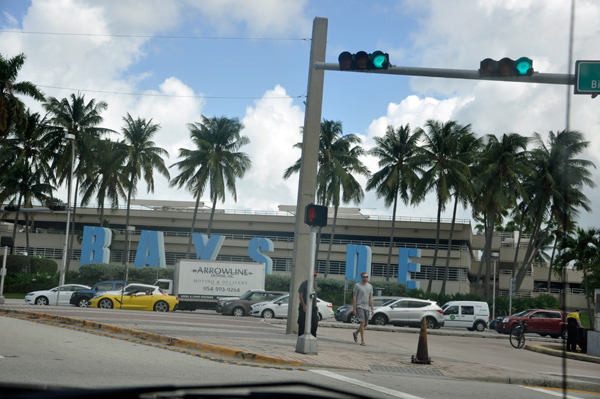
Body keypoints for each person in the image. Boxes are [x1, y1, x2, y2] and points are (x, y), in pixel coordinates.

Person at [352, 272, 373, 346]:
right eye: (364, 277)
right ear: (361, 277)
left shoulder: (370, 286)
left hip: (367, 307)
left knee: (366, 324)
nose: (366, 278)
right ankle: (362, 340)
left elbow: (371, 297)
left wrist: (372, 308)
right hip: (359, 306)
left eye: (367, 276)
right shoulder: (357, 285)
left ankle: (356, 333)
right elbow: (354, 297)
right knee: (362, 322)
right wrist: (354, 308)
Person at [298, 270, 319, 337]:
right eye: (313, 276)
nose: (314, 277)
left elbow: (314, 296)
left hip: (313, 307)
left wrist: (316, 305)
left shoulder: (315, 284)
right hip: (304, 306)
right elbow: (300, 295)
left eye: (315, 276)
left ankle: (313, 336)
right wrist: (304, 305)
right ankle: (300, 337)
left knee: (314, 323)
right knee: (302, 323)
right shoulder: (304, 284)